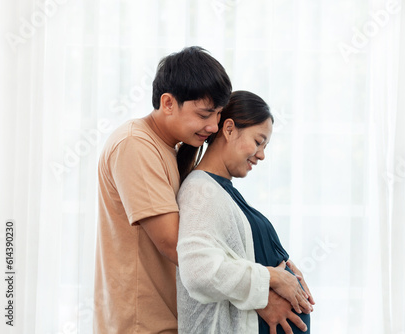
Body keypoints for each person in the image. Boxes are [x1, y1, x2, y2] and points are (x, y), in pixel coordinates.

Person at [93, 46, 232, 333]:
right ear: (168, 103)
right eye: (205, 114)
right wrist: (257, 289)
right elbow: (176, 244)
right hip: (141, 324)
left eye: (219, 115)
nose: (214, 126)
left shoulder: (178, 148)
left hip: (167, 320)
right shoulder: (135, 145)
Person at [176, 91, 315, 333]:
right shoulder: (201, 190)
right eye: (259, 141)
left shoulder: (221, 190)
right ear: (228, 129)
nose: (261, 155)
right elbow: (199, 272)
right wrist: (273, 278)